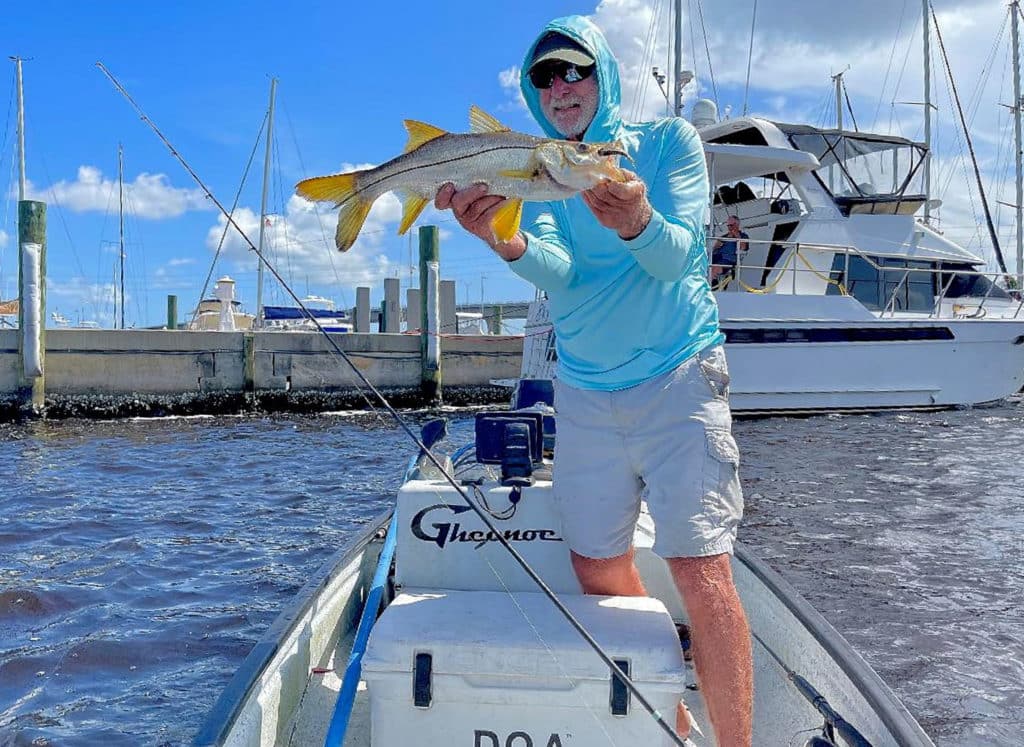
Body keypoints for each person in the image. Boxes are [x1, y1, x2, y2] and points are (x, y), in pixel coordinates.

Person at [434, 16, 752, 746]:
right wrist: (502, 239)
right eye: (545, 76)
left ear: (603, 74)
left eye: (575, 70)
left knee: (701, 573)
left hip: (679, 378)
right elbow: (563, 277)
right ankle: (676, 722)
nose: (561, 86)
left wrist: (637, 220)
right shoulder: (543, 174)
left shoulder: (668, 144)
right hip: (584, 390)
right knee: (595, 563)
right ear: (534, 92)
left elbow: (679, 261)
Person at [711, 215, 749, 284]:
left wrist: (737, 237)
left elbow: (743, 248)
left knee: (714, 268)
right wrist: (718, 244)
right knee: (703, 264)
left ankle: (711, 286)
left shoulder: (743, 236)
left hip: (728, 260)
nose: (729, 228)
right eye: (728, 226)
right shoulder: (724, 237)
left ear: (737, 225)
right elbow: (714, 249)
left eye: (731, 225)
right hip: (716, 257)